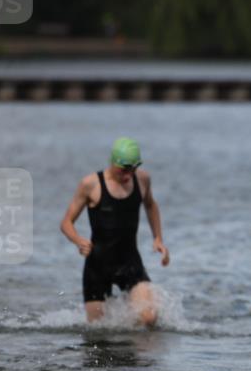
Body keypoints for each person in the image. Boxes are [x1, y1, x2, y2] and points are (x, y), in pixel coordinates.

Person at [60, 137, 170, 326]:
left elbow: (150, 205)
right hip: (97, 266)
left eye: (133, 169)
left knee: (149, 318)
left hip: (130, 263)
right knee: (98, 332)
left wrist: (158, 238)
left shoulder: (142, 179)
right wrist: (78, 240)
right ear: (113, 162)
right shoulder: (90, 184)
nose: (128, 175)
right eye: (124, 170)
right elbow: (66, 223)